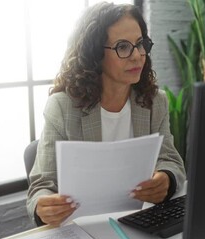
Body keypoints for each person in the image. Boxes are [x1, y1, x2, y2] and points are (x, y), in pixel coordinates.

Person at [26, 2, 186, 227]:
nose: (137, 55)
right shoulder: (62, 107)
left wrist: (167, 179)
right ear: (95, 54)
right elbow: (42, 185)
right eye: (123, 47)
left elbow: (171, 160)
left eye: (140, 44)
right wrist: (43, 206)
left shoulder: (155, 102)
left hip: (137, 222)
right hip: (82, 226)